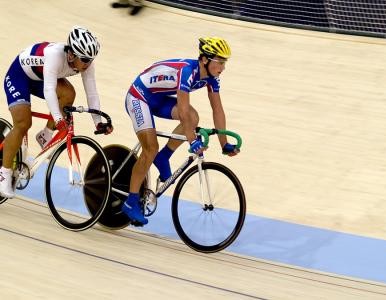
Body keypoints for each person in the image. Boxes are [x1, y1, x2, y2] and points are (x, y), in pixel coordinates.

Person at [122, 37, 239, 225]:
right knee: (150, 148)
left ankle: (164, 157)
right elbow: (183, 110)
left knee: (194, 118)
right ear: (204, 60)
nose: (223, 68)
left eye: (225, 62)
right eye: (220, 62)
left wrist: (224, 144)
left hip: (158, 99)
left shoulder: (212, 78)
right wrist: (193, 141)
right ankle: (130, 202)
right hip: (138, 96)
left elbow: (218, 110)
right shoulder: (187, 72)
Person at [0, 26, 113, 198]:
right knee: (23, 123)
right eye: (84, 59)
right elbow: (49, 90)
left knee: (69, 94)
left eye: (91, 59)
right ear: (72, 54)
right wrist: (59, 118)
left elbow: (92, 93)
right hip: (19, 76)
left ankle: (45, 134)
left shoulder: (86, 63)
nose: (88, 63)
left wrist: (97, 122)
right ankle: (4, 173)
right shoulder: (55, 56)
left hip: (40, 77)